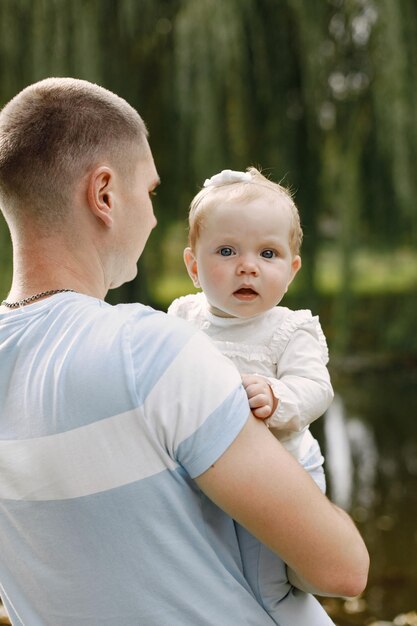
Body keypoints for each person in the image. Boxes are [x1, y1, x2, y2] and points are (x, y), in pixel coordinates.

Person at [0, 78, 368, 626]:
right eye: (148, 193)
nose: (152, 218)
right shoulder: (150, 350)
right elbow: (341, 570)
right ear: (104, 195)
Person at [168, 167, 336, 623]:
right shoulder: (184, 315)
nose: (248, 265)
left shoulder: (290, 327)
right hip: (211, 470)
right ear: (193, 266)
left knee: (271, 582)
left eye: (268, 253)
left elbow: (316, 389)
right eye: (226, 251)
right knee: (218, 568)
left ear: (292, 269)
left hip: (279, 472)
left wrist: (277, 396)